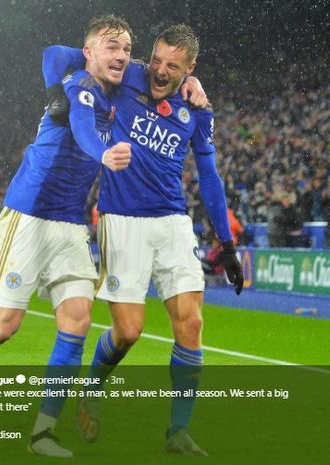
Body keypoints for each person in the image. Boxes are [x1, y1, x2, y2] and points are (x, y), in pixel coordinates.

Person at [0, 15, 136, 458]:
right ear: (89, 51)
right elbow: (79, 122)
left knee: (76, 322)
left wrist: (191, 83)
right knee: (4, 327)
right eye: (111, 47)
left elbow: (160, 74)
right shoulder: (78, 83)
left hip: (71, 224)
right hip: (30, 216)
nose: (122, 56)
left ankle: (43, 432)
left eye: (128, 49)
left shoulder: (118, 87)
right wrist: (105, 152)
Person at [45, 24, 243, 456]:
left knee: (191, 323)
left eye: (173, 67)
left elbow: (209, 177)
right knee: (129, 332)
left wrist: (226, 244)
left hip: (172, 221)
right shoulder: (127, 75)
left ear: (189, 68)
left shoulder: (197, 112)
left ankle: (178, 431)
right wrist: (83, 66)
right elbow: (58, 54)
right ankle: (93, 385)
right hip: (121, 218)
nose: (159, 71)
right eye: (155, 60)